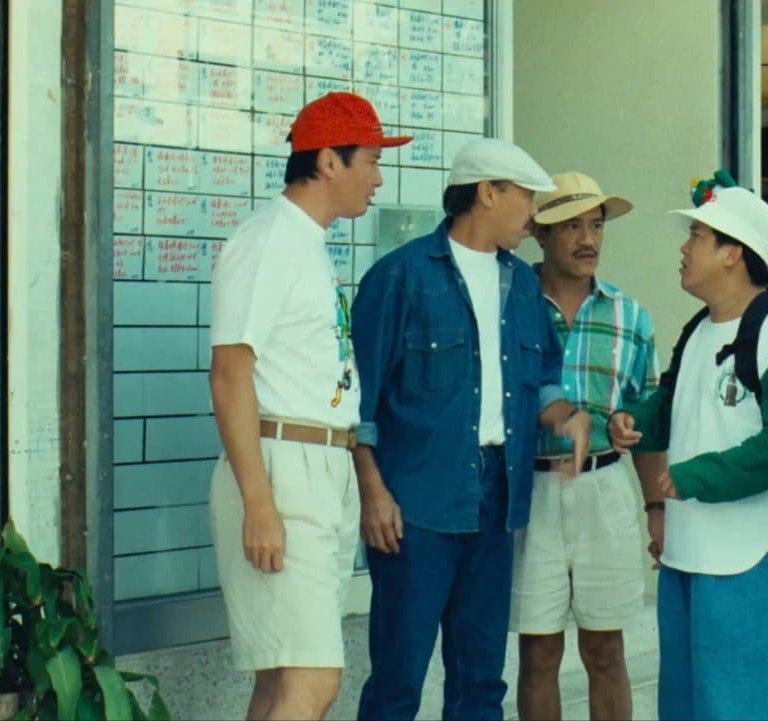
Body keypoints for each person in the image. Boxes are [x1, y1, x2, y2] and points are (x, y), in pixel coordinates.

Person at [351, 138, 593, 721]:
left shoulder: (523, 285)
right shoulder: (399, 276)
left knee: (482, 681)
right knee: (399, 678)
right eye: (527, 198)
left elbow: (543, 377)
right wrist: (372, 492)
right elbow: (358, 402)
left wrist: (567, 415)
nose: (534, 214)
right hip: (414, 503)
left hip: (498, 499)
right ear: (488, 193)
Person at [207, 91, 410, 721]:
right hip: (282, 467)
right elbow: (229, 373)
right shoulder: (269, 240)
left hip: (318, 464)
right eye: (371, 161)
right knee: (314, 681)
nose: (378, 179)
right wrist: (259, 503)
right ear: (327, 161)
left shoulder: (307, 243)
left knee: (283, 682)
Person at [608, 180, 768, 720]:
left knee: (745, 708)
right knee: (686, 706)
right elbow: (673, 402)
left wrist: (699, 476)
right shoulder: (699, 327)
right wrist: (633, 422)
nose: (684, 247)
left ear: (732, 253)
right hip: (689, 551)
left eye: (697, 235)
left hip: (752, 556)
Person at [513, 171, 666, 721]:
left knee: (606, 650)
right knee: (538, 652)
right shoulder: (513, 304)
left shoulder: (630, 315)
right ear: (540, 234)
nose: (588, 239)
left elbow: (649, 419)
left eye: (596, 226)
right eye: (571, 226)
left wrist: (656, 509)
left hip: (605, 486)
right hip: (529, 488)